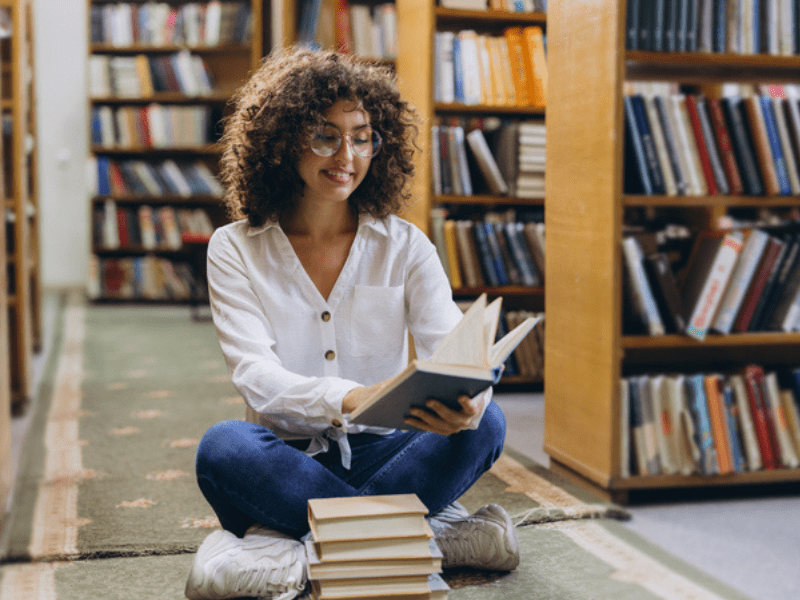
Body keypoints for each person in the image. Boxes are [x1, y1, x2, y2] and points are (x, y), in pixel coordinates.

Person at [184, 46, 520, 600]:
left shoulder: (406, 245)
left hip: (388, 447)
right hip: (285, 456)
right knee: (224, 449)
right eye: (326, 136)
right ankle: (431, 533)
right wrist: (354, 397)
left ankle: (287, 547)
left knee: (490, 424)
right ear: (284, 139)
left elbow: (451, 349)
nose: (348, 154)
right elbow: (256, 377)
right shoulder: (234, 248)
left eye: (363, 137)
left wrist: (468, 402)